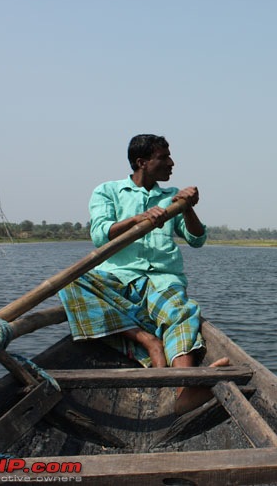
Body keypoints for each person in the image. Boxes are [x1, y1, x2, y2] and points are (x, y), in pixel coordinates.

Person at [58, 134, 227, 414]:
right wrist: (138, 218)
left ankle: (183, 389)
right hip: (116, 278)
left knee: (181, 313)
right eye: (163, 157)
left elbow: (197, 239)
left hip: (162, 279)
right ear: (142, 162)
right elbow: (100, 235)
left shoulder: (170, 197)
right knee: (72, 282)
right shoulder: (108, 191)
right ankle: (148, 341)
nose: (171, 163)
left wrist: (187, 208)